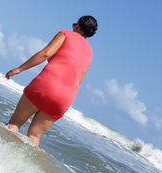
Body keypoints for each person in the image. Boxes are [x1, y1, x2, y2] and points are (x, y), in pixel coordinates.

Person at [5, 16, 97, 146]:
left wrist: (20, 68)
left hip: (46, 85)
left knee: (14, 124)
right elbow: (79, 79)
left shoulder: (66, 34)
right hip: (65, 97)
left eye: (75, 25)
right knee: (34, 136)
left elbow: (46, 53)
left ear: (78, 27)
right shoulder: (90, 52)